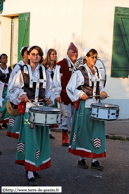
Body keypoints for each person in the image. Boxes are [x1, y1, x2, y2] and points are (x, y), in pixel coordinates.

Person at [7, 45, 56, 186]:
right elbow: (12, 88)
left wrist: (48, 97)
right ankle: (29, 171)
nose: (35, 57)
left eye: (38, 54)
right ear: (28, 56)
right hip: (28, 109)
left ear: (41, 57)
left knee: (39, 139)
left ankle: (34, 166)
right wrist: (21, 95)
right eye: (33, 54)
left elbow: (49, 89)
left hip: (41, 108)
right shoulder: (22, 70)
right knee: (30, 140)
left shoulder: (44, 71)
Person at [66, 48, 108, 170]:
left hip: (96, 105)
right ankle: (81, 159)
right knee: (83, 131)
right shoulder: (79, 72)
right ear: (86, 57)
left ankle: (95, 160)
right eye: (92, 57)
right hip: (84, 106)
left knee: (96, 131)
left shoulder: (98, 72)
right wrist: (80, 95)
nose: (94, 59)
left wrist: (103, 92)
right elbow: (70, 88)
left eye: (96, 57)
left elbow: (100, 87)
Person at [55, 42, 78, 146]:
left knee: (76, 117)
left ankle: (74, 137)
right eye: (73, 52)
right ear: (68, 53)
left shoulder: (79, 65)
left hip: (76, 95)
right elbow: (56, 80)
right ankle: (65, 137)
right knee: (66, 116)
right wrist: (57, 94)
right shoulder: (60, 64)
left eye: (76, 52)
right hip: (65, 95)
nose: (75, 54)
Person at [6, 46, 28, 139]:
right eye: (28, 53)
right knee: (18, 120)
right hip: (20, 97)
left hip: (28, 97)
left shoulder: (32, 67)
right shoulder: (18, 67)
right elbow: (13, 84)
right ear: (23, 55)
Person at [43, 48, 61, 139]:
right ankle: (46, 132)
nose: (54, 56)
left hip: (55, 92)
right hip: (47, 91)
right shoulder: (44, 67)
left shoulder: (57, 67)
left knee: (51, 113)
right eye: (53, 54)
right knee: (46, 111)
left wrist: (58, 93)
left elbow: (59, 81)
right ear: (48, 55)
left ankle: (48, 131)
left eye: (55, 54)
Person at [0, 53, 12, 129]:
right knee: (0, 104)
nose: (5, 59)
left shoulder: (9, 68)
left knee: (7, 104)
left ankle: (5, 122)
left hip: (7, 89)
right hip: (0, 89)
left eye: (6, 58)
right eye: (3, 58)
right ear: (0, 60)